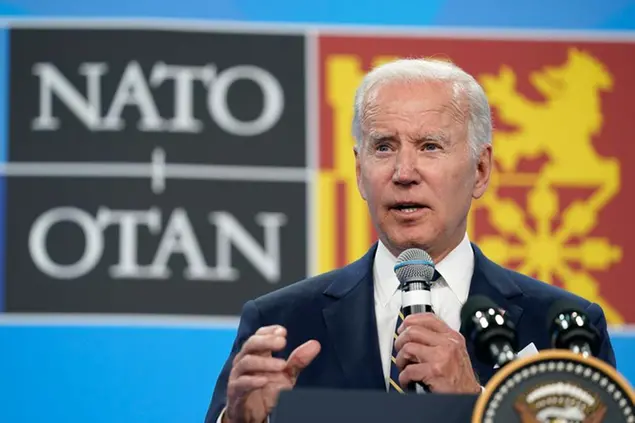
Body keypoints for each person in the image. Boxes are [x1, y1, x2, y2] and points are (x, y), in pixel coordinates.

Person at [204, 58, 616, 423]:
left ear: (481, 169)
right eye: (384, 147)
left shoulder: (565, 331)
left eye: (429, 146)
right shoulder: (282, 322)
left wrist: (479, 406)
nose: (404, 172)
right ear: (360, 171)